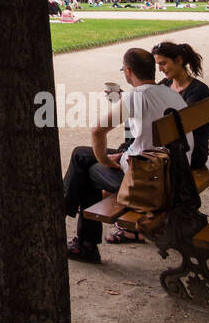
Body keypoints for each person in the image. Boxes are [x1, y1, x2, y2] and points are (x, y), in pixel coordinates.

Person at [62, 48, 187, 263]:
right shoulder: (170, 94)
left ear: (128, 71)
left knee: (86, 167)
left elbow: (97, 130)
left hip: (150, 179)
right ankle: (72, 222)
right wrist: (119, 156)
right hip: (174, 169)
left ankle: (82, 239)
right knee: (82, 155)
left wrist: (105, 161)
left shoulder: (137, 96)